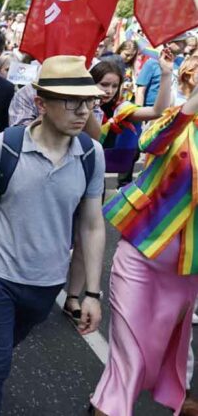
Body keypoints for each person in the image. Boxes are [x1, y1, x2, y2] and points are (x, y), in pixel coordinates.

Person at [0, 55, 106, 416]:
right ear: (41, 103)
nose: (82, 111)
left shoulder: (91, 154)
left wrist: (91, 294)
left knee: (1, 348)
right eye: (72, 101)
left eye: (89, 102)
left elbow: (92, 225)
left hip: (45, 282)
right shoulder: (5, 146)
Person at [90, 55, 198, 416]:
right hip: (141, 249)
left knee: (168, 345)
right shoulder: (181, 118)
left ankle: (161, 398)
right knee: (129, 348)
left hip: (186, 268)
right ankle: (110, 407)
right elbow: (150, 141)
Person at [62, 56, 172, 322]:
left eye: (113, 85)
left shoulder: (121, 109)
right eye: (103, 84)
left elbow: (157, 111)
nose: (108, 90)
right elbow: (92, 134)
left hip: (92, 183)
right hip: (63, 178)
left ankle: (73, 297)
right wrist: (87, 103)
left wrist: (166, 74)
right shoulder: (71, 102)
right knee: (55, 238)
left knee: (83, 240)